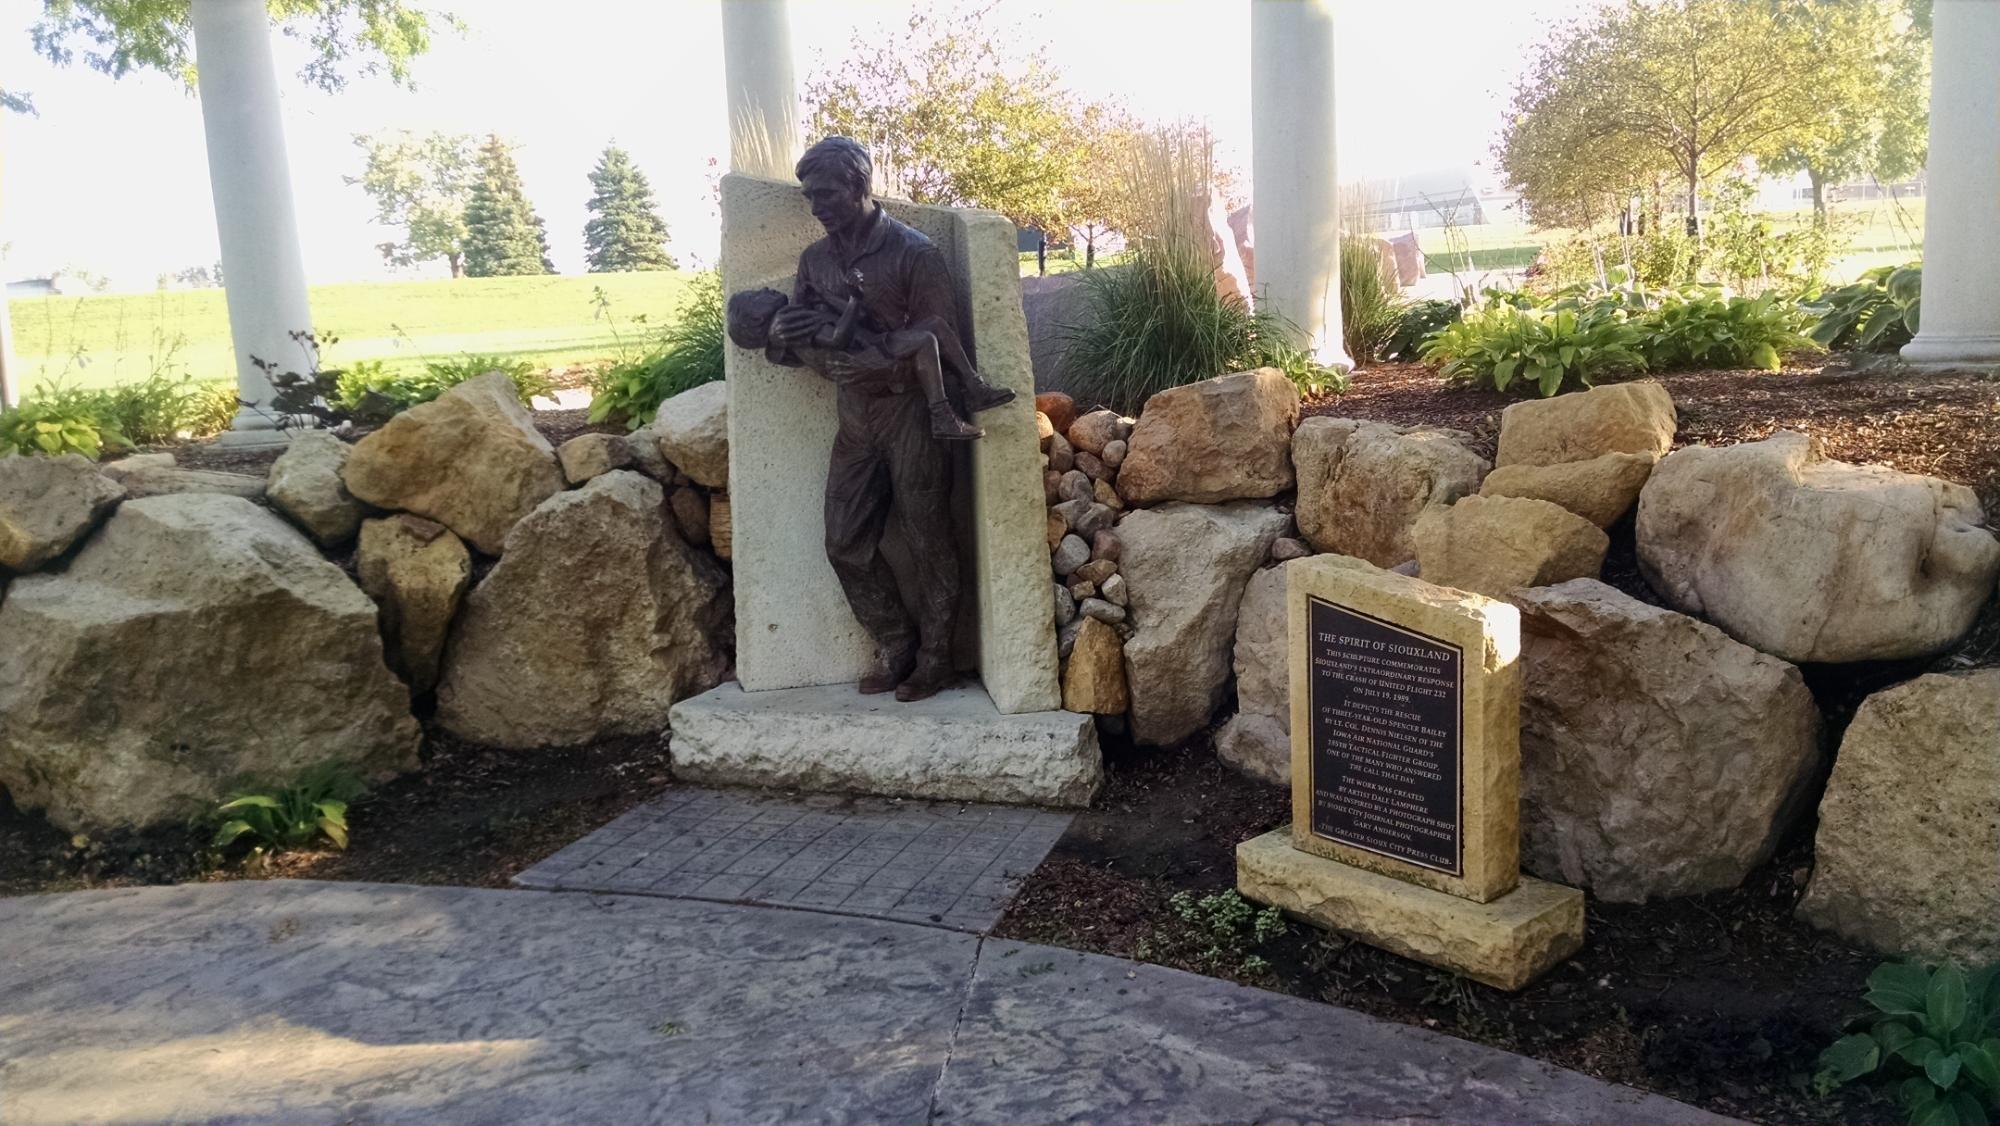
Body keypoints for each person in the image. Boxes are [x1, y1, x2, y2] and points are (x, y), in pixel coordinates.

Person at [754, 135, 984, 702]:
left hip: (911, 414)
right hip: (855, 423)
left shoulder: (915, 254)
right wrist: (781, 340)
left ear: (860, 187)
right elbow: (801, 338)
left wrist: (879, 363)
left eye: (827, 193)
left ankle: (935, 660)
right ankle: (897, 643)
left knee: (929, 536)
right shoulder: (814, 262)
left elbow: (941, 339)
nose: (816, 206)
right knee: (844, 541)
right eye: (810, 196)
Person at [727, 285, 1014, 440]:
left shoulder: (790, 319)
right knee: (926, 340)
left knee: (937, 325)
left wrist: (833, 298)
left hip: (866, 344)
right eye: (757, 296)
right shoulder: (787, 323)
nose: (765, 289)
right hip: (861, 356)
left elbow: (856, 319)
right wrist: (852, 302)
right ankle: (942, 416)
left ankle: (974, 388)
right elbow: (838, 337)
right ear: (757, 316)